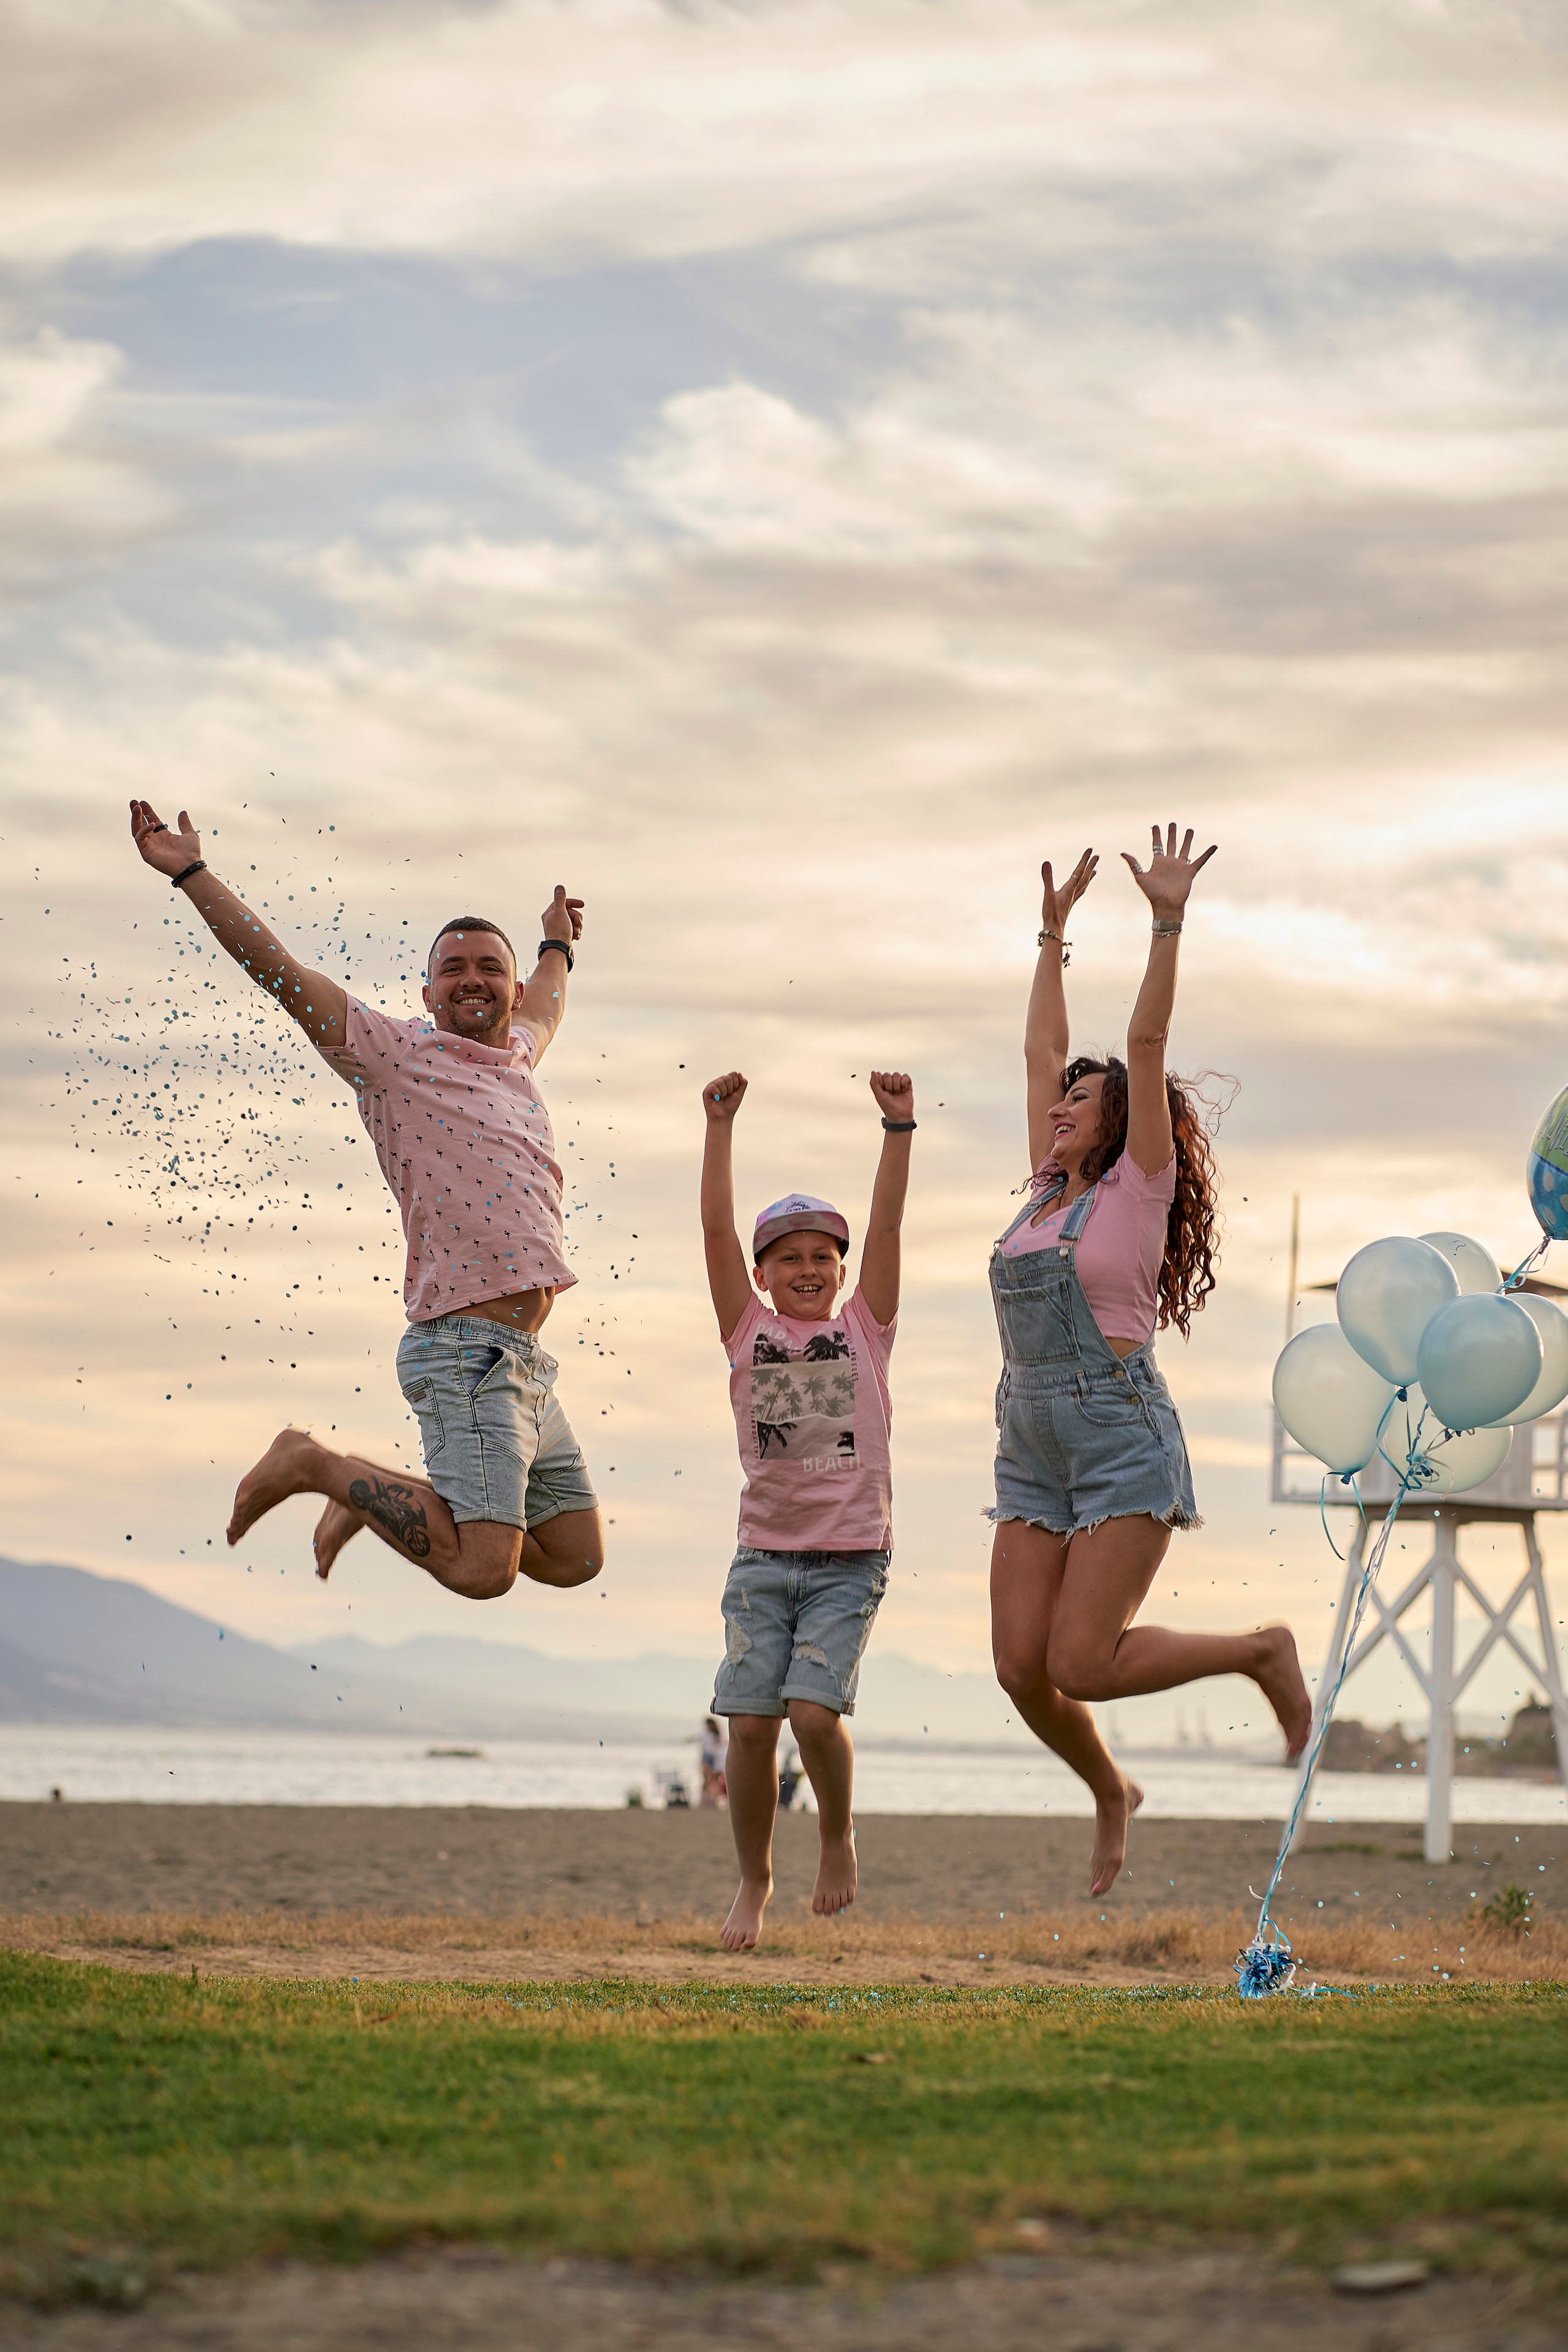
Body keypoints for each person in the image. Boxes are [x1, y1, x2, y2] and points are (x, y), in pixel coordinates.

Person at [129, 800, 603, 1602]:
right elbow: (277, 969)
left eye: (490, 967)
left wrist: (556, 938)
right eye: (453, 970)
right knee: (484, 1571)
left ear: (510, 987)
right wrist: (192, 874)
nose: (473, 980)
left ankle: (366, 1497)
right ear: (427, 995)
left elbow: (550, 994)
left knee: (572, 1555)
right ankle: (315, 1465)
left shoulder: (520, 1053)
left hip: (521, 1364)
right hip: (463, 1348)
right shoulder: (393, 1055)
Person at [988, 825, 1311, 1898]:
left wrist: (1165, 920)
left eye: (1078, 1101)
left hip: (1119, 1435)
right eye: (1057, 1101)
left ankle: (1261, 1649)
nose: (1056, 1106)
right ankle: (1112, 1791)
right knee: (1019, 1670)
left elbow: (1146, 1037)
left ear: (1118, 1122)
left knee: (1081, 1662)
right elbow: (1042, 1048)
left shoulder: (1138, 1184)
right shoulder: (1042, 1189)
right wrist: (1050, 932)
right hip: (1031, 1441)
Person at [699, 1066, 915, 1950]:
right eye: (788, 1257)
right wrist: (719, 1128)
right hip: (764, 1557)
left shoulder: (867, 1325)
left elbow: (892, 1224)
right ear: (760, 1273)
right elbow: (714, 1226)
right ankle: (754, 1880)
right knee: (750, 1726)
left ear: (841, 1268)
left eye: (822, 1255)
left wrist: (897, 1132)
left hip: (849, 1558)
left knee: (814, 1715)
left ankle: (836, 1833)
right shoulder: (746, 1331)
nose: (807, 1268)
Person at [698, 1714, 728, 1808]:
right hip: (710, 1758)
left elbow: (721, 1747)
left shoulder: (715, 1736)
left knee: (712, 1781)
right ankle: (708, 1801)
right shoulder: (708, 1734)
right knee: (708, 1781)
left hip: (714, 1759)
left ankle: (710, 1801)